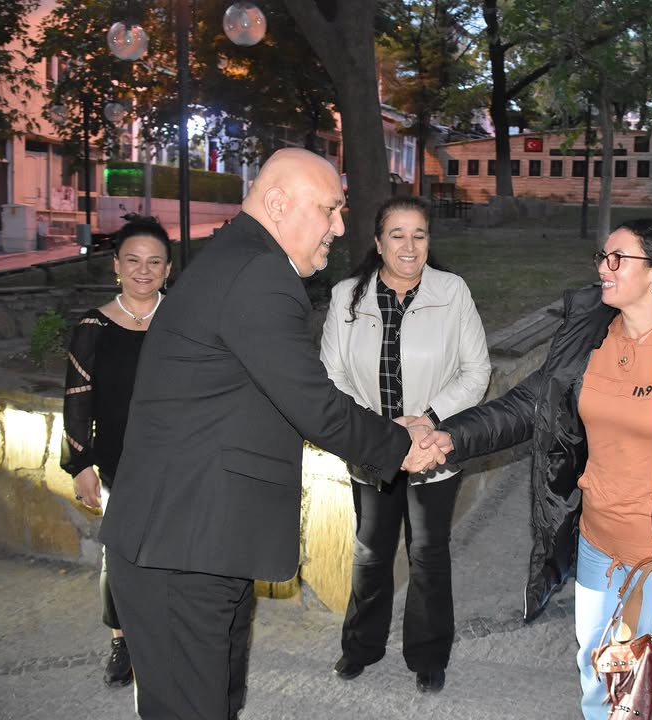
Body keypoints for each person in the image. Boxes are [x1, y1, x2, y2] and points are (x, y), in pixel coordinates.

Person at [98, 148, 444, 720]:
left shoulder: (241, 259)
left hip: (204, 540)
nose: (339, 226)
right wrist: (400, 447)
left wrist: (390, 430)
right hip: (180, 545)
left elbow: (278, 394)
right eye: (330, 209)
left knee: (216, 702)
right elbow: (311, 403)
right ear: (278, 203)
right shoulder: (258, 272)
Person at [422, 218, 652, 719]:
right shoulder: (589, 333)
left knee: (651, 690)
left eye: (619, 259)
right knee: (596, 669)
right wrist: (451, 435)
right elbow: (531, 404)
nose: (604, 269)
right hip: (595, 543)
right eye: (602, 258)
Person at [320, 196, 491, 693]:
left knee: (428, 552)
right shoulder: (345, 297)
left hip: (433, 448)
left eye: (419, 234)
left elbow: (476, 370)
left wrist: (429, 420)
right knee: (371, 552)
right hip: (373, 451)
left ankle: (429, 654)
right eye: (397, 234)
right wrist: (382, 433)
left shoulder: (452, 292)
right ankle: (361, 648)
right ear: (377, 243)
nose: (409, 245)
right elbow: (331, 378)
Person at [61, 217, 171, 687]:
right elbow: (76, 398)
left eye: (154, 262)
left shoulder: (185, 321)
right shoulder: (93, 327)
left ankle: (170, 636)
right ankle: (122, 638)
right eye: (133, 260)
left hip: (181, 460)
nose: (143, 270)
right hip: (120, 461)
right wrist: (80, 462)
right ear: (116, 266)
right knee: (121, 555)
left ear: (168, 270)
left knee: (176, 552)